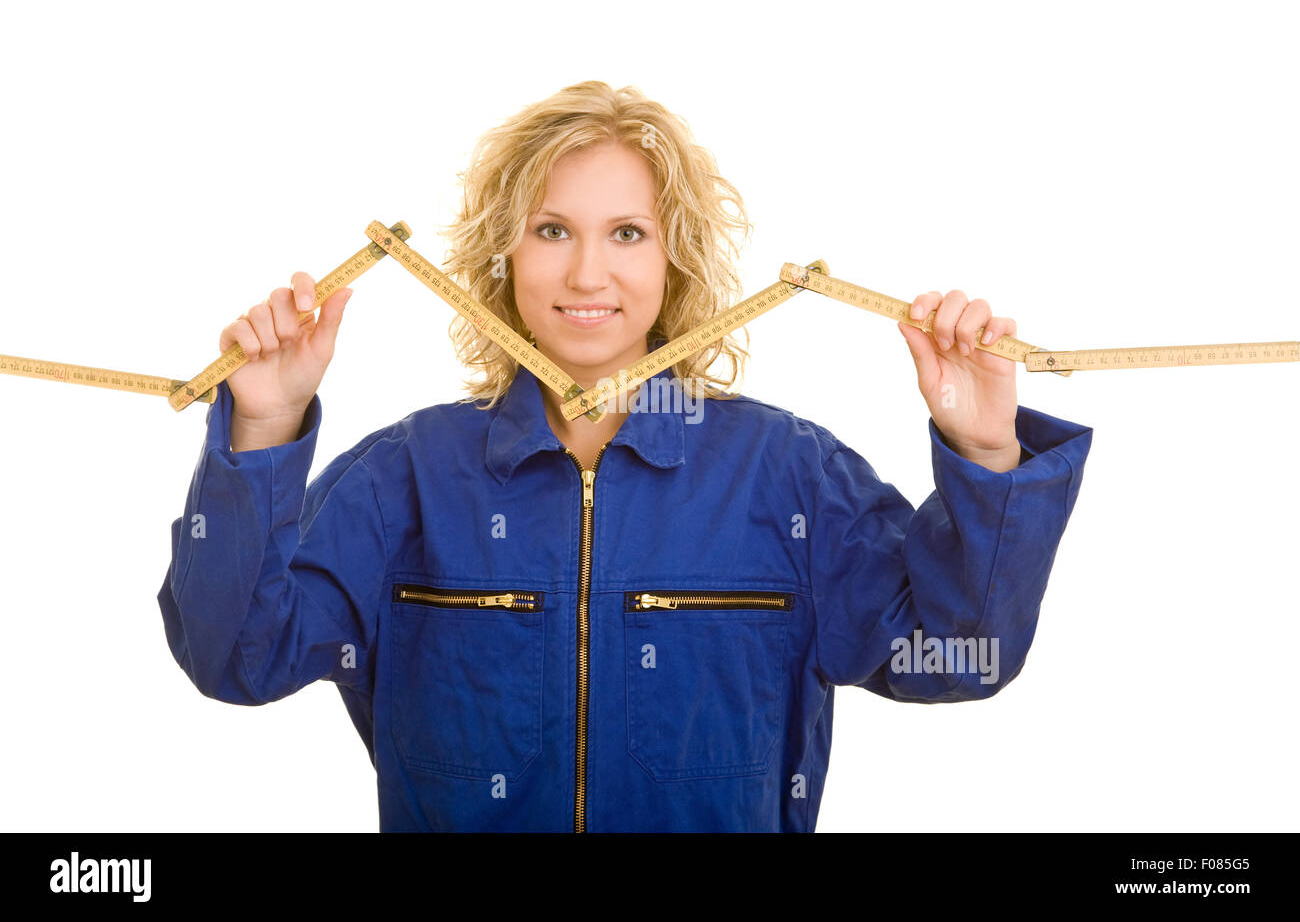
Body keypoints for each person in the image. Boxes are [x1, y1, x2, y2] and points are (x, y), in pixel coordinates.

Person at [156, 80, 1093, 832]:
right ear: (501, 259)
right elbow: (233, 657)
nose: (588, 275)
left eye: (628, 234)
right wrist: (264, 430)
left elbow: (960, 658)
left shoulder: (786, 472)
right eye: (552, 231)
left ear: (675, 262)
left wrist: (982, 450)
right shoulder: (407, 473)